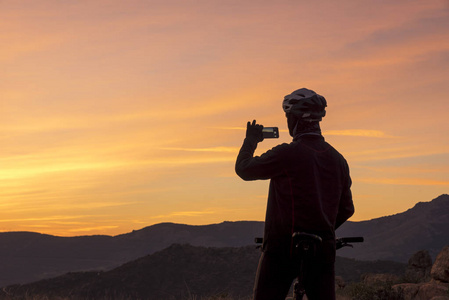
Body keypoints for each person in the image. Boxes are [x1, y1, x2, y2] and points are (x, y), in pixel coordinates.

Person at [235, 88, 355, 300]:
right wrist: (320, 228)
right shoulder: (339, 160)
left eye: (287, 117)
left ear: (294, 119)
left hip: (282, 249)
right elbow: (347, 209)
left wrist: (251, 140)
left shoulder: (286, 153)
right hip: (322, 251)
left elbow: (244, 169)